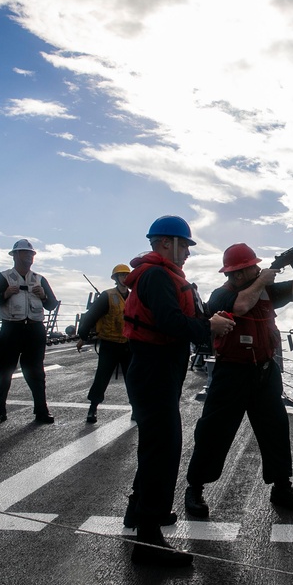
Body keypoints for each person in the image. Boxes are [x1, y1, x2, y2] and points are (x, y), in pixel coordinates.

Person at [123, 215, 234, 567]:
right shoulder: (157, 275)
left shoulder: (160, 274)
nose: (186, 252)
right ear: (165, 243)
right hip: (153, 368)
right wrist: (209, 326)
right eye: (184, 245)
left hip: (157, 368)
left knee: (155, 444)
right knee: (164, 449)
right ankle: (149, 542)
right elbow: (171, 321)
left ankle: (138, 512)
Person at [184, 239, 293, 519]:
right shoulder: (221, 296)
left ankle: (282, 487)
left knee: (275, 431)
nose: (255, 271)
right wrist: (263, 280)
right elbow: (242, 306)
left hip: (264, 371)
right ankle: (195, 488)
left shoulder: (266, 291)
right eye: (249, 269)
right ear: (235, 274)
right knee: (213, 432)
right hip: (231, 373)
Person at [0, 239, 58, 425]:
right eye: (25, 253)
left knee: (36, 373)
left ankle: (41, 411)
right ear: (14, 255)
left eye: (31, 253)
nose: (29, 256)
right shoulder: (4, 277)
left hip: (34, 329)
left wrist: (44, 296)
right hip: (11, 329)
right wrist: (4, 295)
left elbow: (52, 305)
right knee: (4, 373)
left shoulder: (39, 279)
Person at [76, 264, 132, 423]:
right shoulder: (107, 296)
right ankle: (92, 408)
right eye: (121, 275)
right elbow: (91, 316)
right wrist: (83, 336)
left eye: (127, 275)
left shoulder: (134, 297)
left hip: (128, 344)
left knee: (133, 378)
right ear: (115, 278)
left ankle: (136, 408)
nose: (124, 278)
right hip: (110, 343)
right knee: (102, 377)